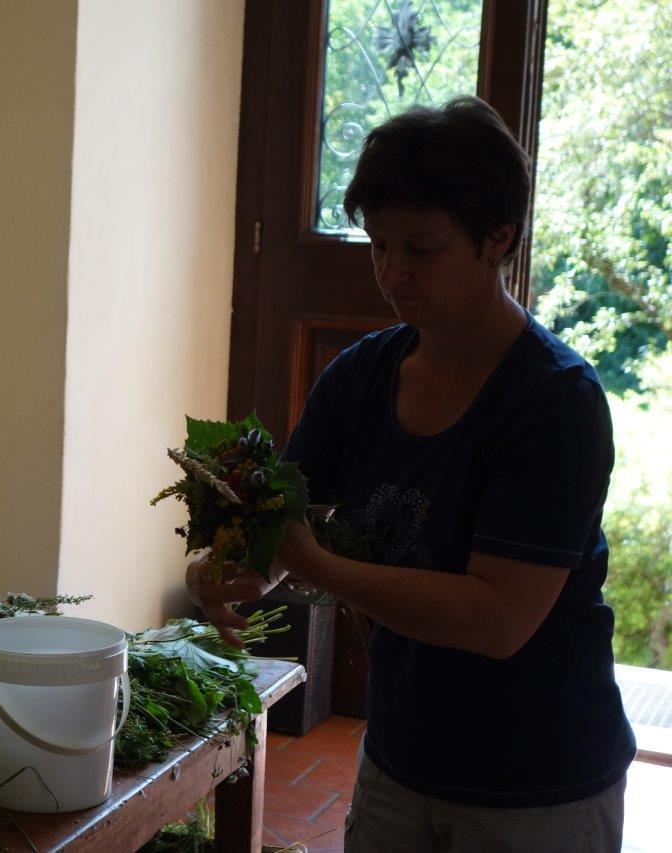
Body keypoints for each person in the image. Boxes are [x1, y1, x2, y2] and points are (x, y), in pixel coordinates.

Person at [187, 97, 635, 851]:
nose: (392, 272)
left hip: (538, 783)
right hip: (401, 760)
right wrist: (227, 572)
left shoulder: (556, 401)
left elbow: (496, 619)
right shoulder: (361, 376)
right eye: (379, 245)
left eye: (421, 249)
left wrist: (315, 564)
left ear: (499, 237)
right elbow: (282, 522)